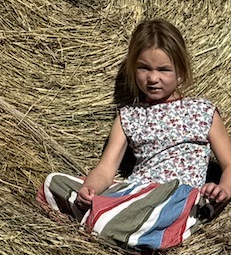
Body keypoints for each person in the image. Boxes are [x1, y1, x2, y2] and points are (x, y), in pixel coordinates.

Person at [39, 19, 231, 250]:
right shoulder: (129, 115)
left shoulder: (202, 111)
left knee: (113, 218)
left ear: (180, 70)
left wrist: (224, 190)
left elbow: (230, 164)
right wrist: (89, 189)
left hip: (175, 195)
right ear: (133, 67)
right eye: (143, 68)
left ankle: (108, 220)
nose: (152, 78)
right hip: (135, 191)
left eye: (163, 70)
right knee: (53, 182)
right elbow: (107, 168)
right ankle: (111, 217)